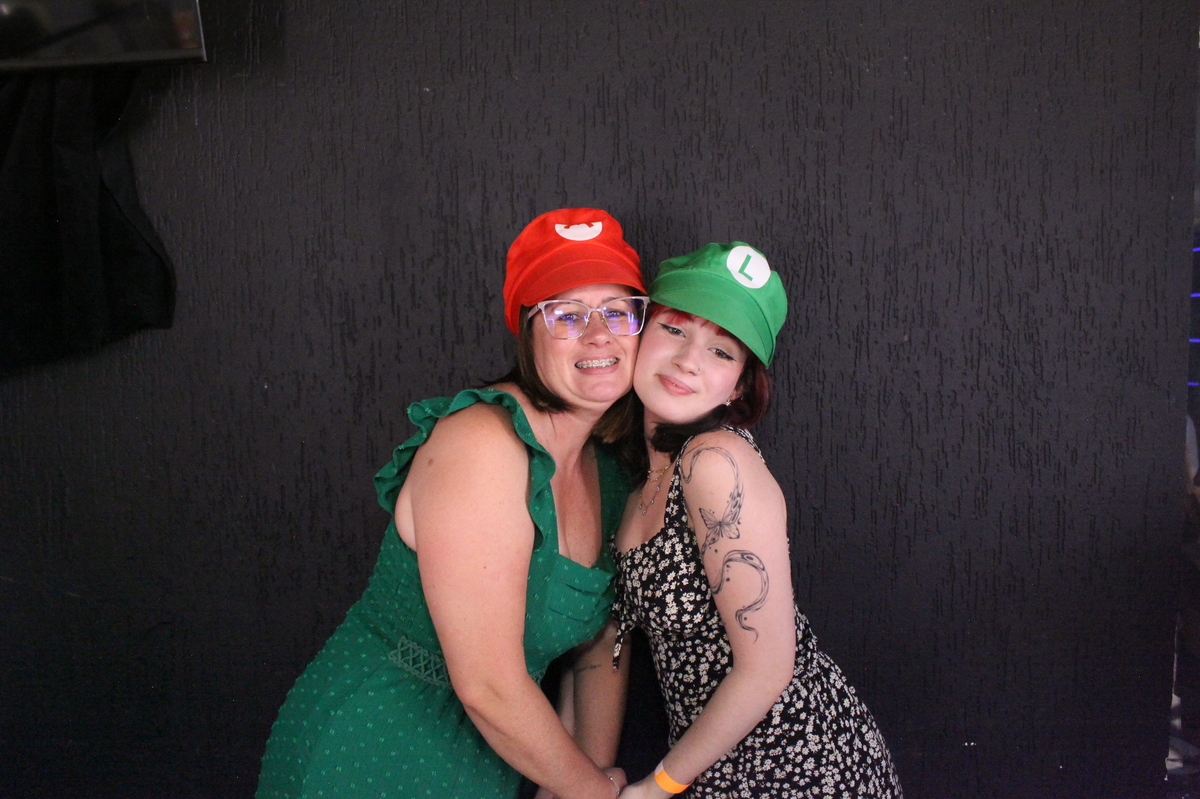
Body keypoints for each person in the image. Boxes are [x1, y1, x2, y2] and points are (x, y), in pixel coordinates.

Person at [256, 208, 649, 799]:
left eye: (618, 310)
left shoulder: (609, 466)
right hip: (368, 752)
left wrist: (581, 780)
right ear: (526, 331)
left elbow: (601, 646)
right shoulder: (483, 442)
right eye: (566, 314)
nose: (599, 334)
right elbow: (488, 686)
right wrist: (594, 793)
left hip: (490, 762)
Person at [611, 243, 903, 798]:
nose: (689, 360)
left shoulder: (714, 461)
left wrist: (658, 787)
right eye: (673, 329)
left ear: (740, 385)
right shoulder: (637, 484)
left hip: (803, 769)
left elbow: (767, 668)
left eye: (722, 351)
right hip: (714, 769)